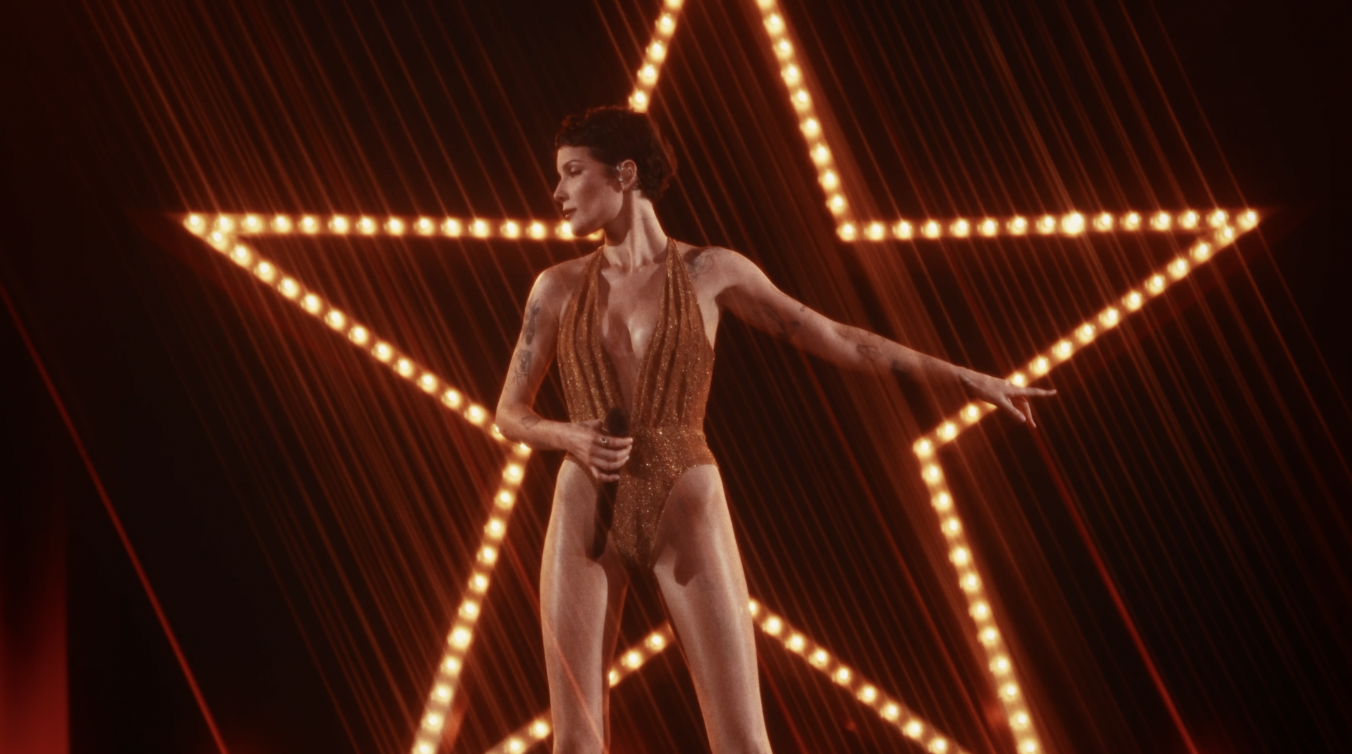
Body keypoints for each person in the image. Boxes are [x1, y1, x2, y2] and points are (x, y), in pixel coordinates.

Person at [494, 106, 1055, 754]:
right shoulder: (555, 288)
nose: (556, 193)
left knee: (743, 744)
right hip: (584, 505)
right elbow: (510, 411)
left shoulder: (712, 271)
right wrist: (568, 437)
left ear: (624, 174)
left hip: (686, 495)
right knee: (576, 745)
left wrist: (965, 377)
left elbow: (836, 337)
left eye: (571, 173)